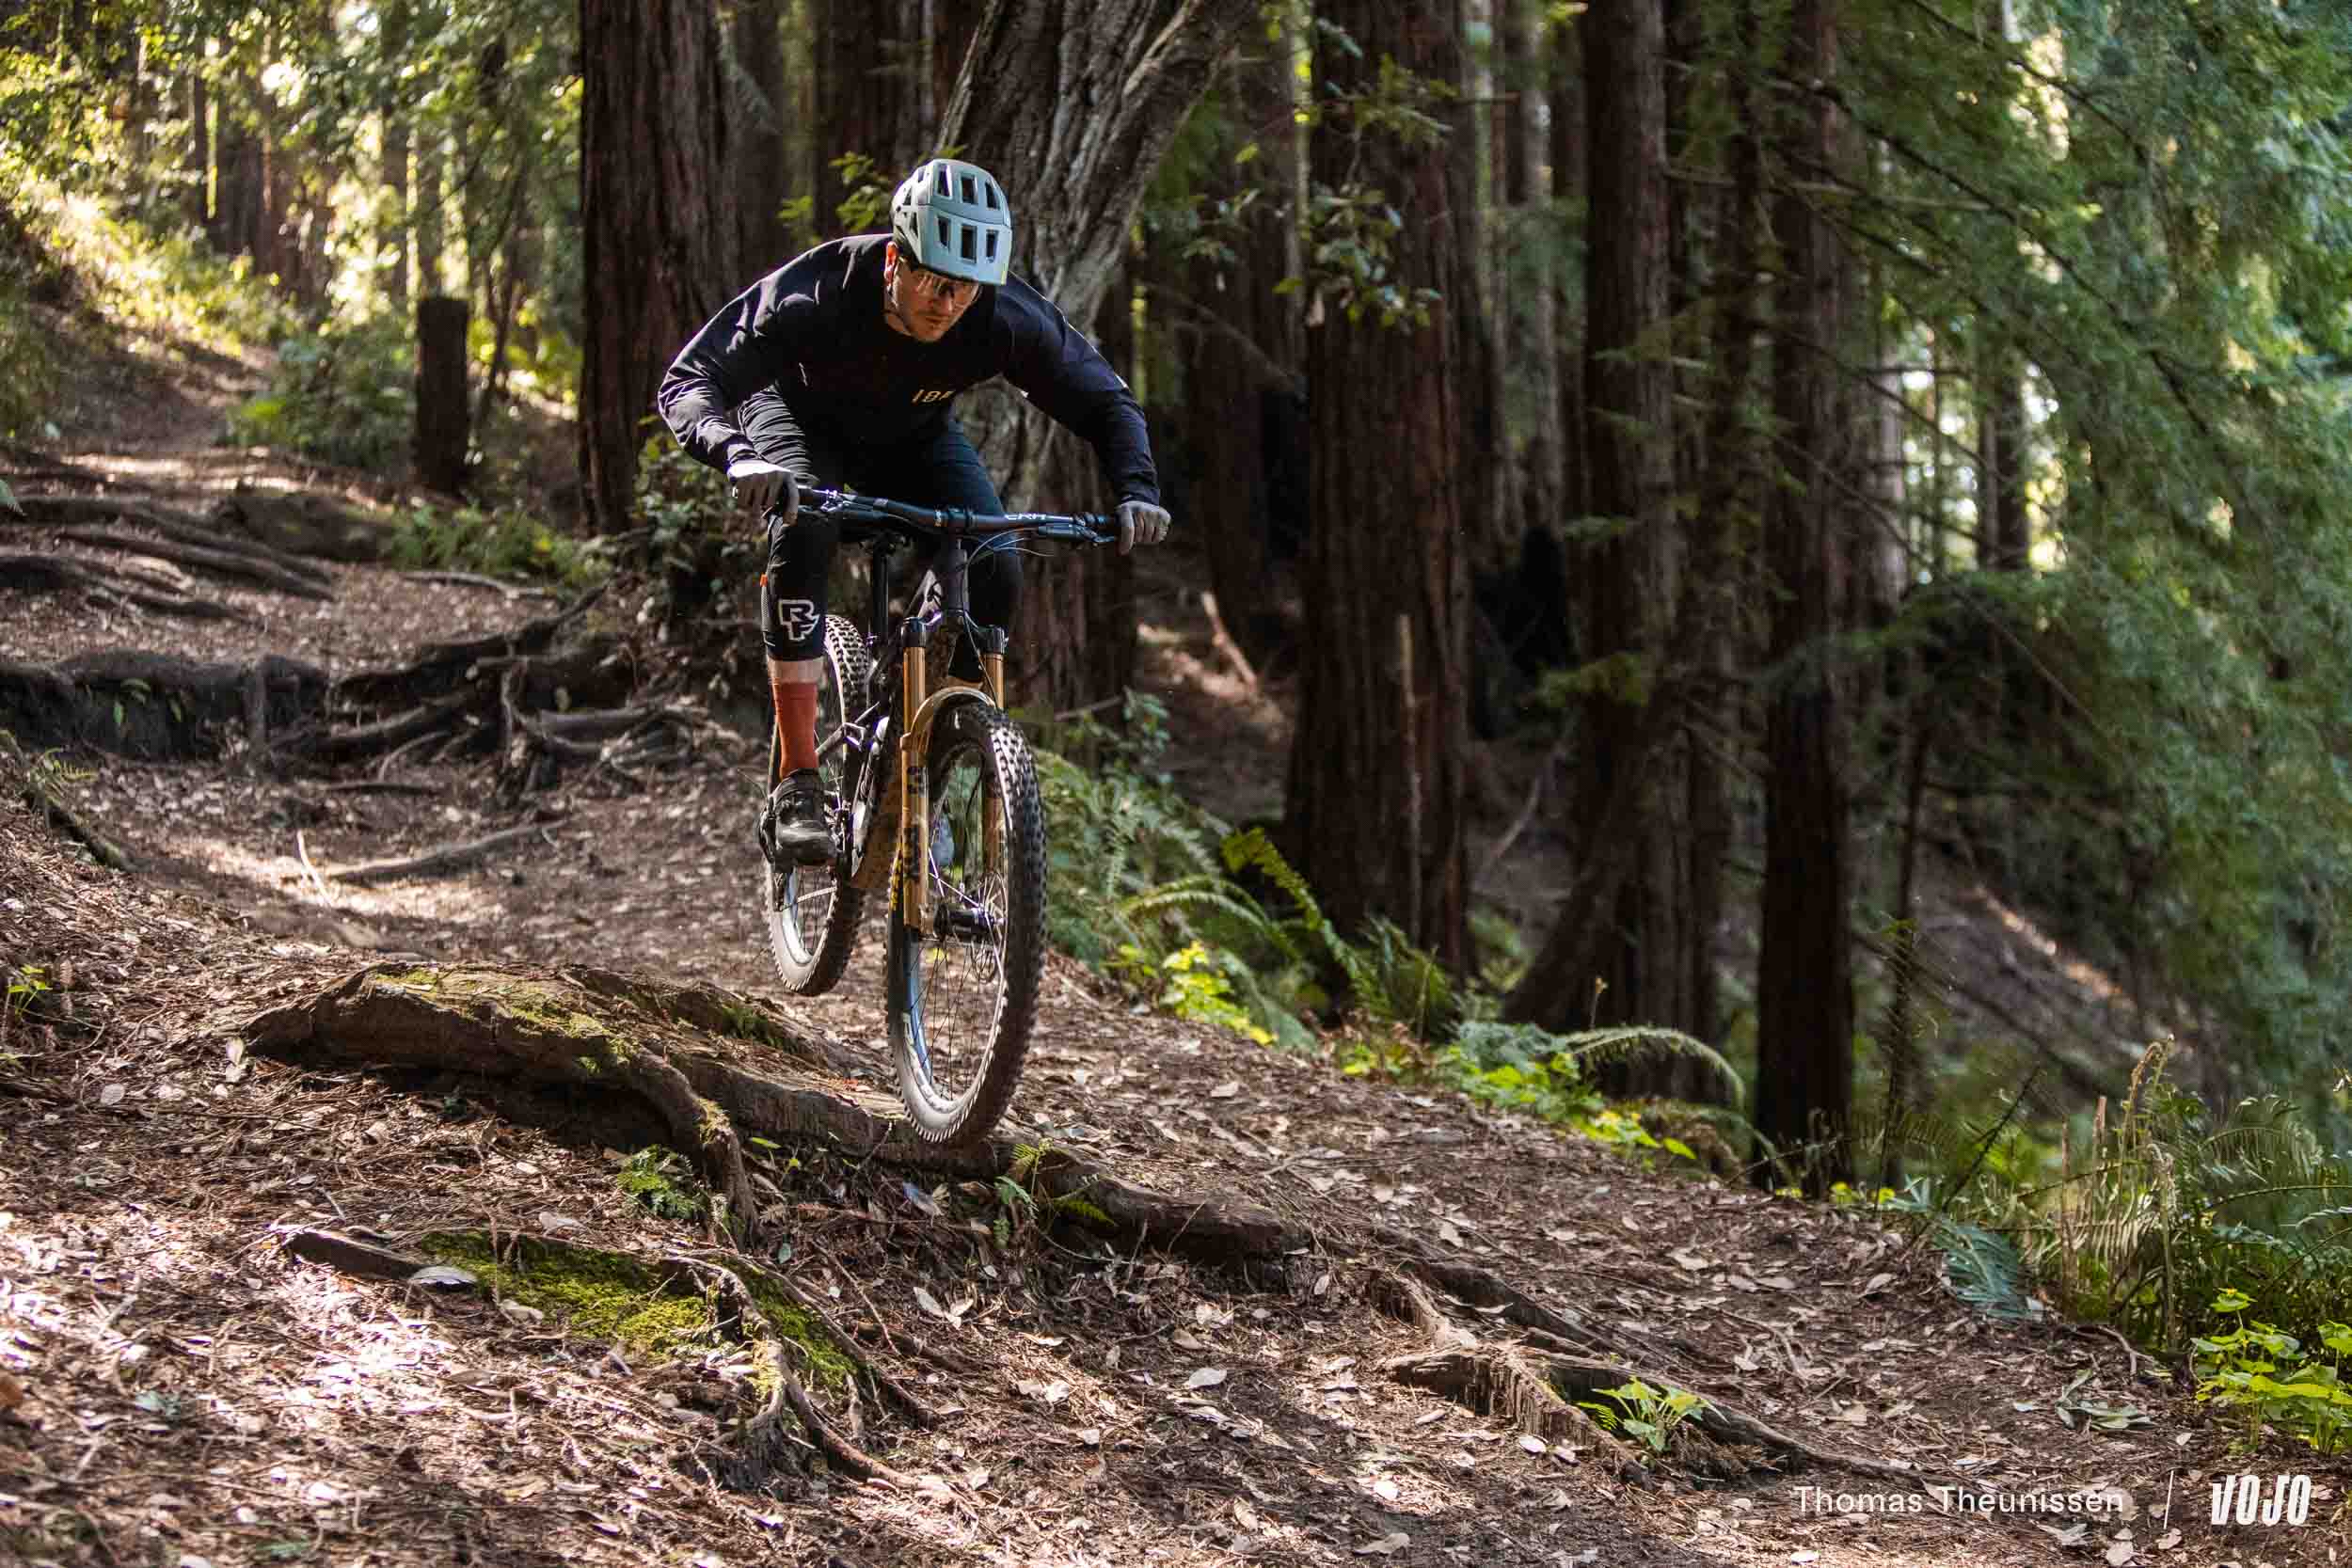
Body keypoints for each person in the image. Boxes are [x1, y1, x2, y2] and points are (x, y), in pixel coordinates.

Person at [657, 156, 1172, 868]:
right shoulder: (820, 292)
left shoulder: (997, 314)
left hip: (913, 437)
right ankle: (798, 785)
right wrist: (738, 456)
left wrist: (1137, 489)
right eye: (934, 281)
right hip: (797, 421)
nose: (948, 303)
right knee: (805, 528)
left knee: (995, 564)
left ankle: (927, 748)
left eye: (966, 288)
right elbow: (691, 378)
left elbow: (1103, 397)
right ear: (896, 260)